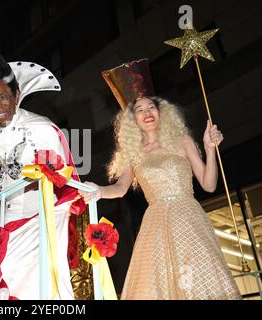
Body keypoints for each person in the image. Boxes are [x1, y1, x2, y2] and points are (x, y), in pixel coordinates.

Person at [79, 59, 241, 299]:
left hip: (189, 218)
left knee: (197, 284)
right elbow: (121, 188)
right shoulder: (133, 154)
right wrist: (100, 190)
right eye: (139, 110)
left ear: (161, 111)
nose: (146, 113)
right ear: (132, 120)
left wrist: (209, 149)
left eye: (150, 107)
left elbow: (208, 184)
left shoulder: (183, 141)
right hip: (155, 223)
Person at [0, 49, 85, 300]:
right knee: (4, 292)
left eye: (2, 97)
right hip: (4, 227)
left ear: (16, 95)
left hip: (41, 221)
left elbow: (62, 177)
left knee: (38, 290)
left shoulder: (42, 128)